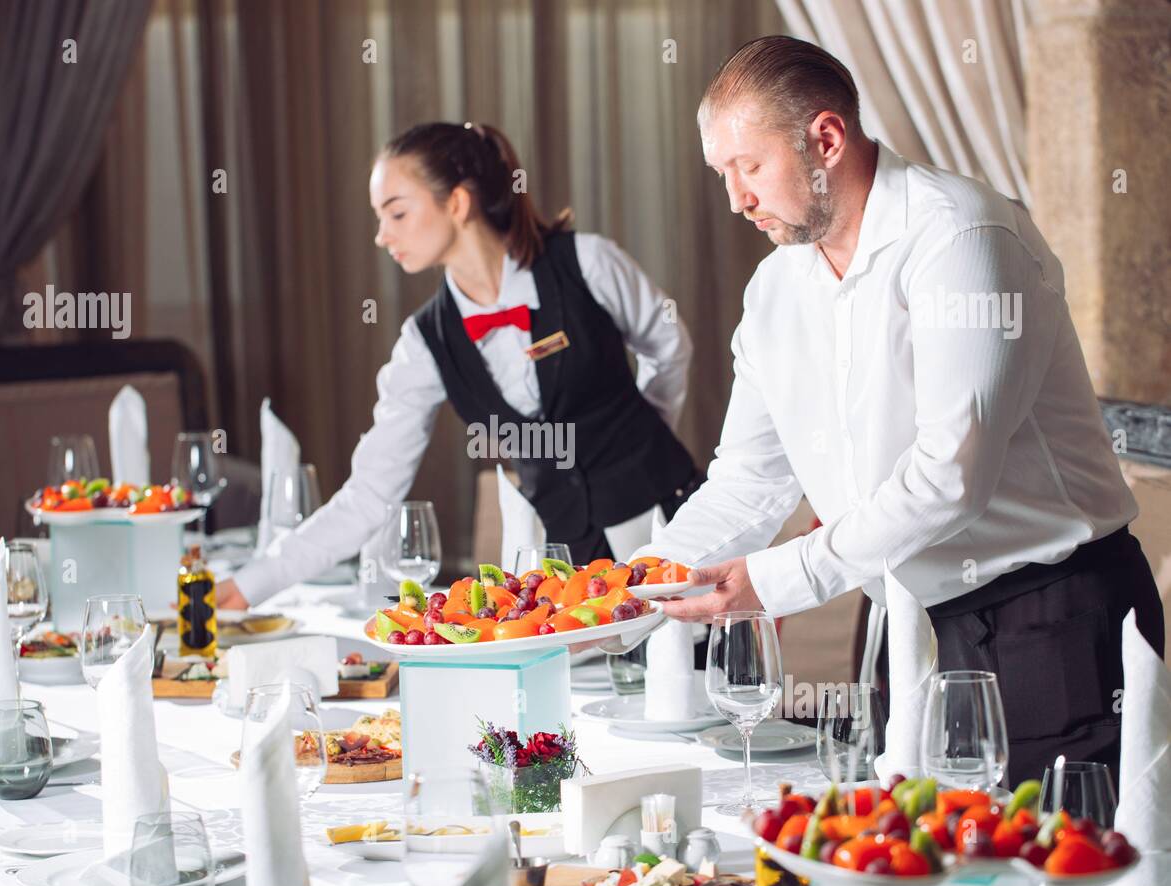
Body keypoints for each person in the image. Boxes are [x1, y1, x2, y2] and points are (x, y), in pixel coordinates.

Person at [649, 36, 1163, 787]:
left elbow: (950, 476)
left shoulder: (963, 236)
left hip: (1048, 621)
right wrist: (626, 584)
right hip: (901, 620)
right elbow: (749, 479)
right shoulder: (774, 292)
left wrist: (775, 579)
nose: (736, 199)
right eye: (723, 173)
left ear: (825, 138)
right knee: (911, 859)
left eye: (748, 166)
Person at [219, 121, 702, 610]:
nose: (381, 236)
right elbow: (369, 493)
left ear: (457, 202)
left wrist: (645, 437)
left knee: (709, 674)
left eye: (397, 214)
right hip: (571, 575)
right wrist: (249, 585)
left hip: (673, 526)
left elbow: (669, 347)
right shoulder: (424, 343)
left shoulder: (588, 261)